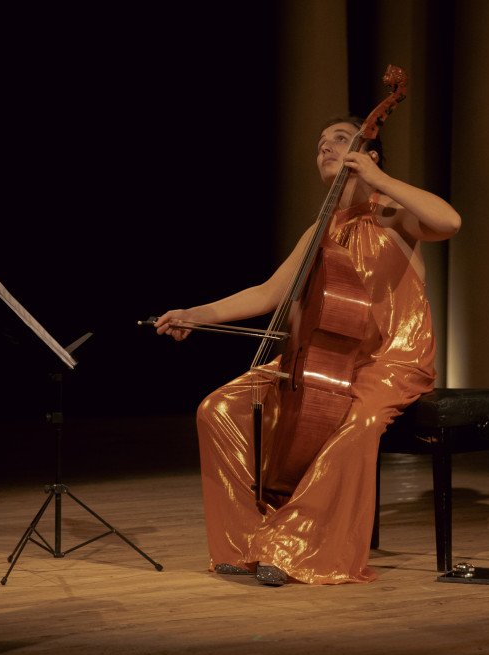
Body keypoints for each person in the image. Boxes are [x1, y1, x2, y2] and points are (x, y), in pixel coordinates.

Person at [153, 115, 461, 586]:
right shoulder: (321, 228)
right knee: (218, 409)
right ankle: (241, 544)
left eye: (340, 139)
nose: (326, 148)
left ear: (368, 154)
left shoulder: (394, 213)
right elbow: (268, 293)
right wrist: (197, 313)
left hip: (391, 362)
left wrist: (381, 181)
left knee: (356, 424)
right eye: (320, 144)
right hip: (324, 361)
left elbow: (450, 220)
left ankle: (298, 548)